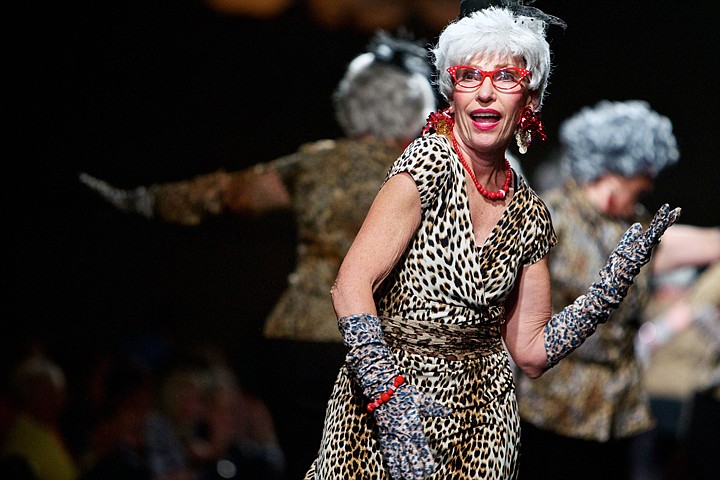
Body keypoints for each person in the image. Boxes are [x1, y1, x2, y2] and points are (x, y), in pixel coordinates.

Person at [303, 1, 681, 479]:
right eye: (468, 76)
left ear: (530, 100)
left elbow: (531, 351)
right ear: (451, 91)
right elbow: (350, 287)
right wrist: (393, 408)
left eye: (505, 77)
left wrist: (607, 290)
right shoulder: (428, 165)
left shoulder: (529, 211)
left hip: (484, 422)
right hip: (391, 411)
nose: (484, 93)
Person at [79, 31, 438, 480]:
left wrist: (140, 201)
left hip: (294, 347)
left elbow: (223, 194)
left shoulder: (313, 163)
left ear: (351, 103)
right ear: (416, 106)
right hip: (375, 346)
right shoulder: (426, 170)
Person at [515, 100, 720, 480]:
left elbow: (701, 243)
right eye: (643, 179)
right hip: (553, 410)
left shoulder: (635, 223)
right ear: (617, 173)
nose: (649, 188)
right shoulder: (550, 217)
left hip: (617, 413)